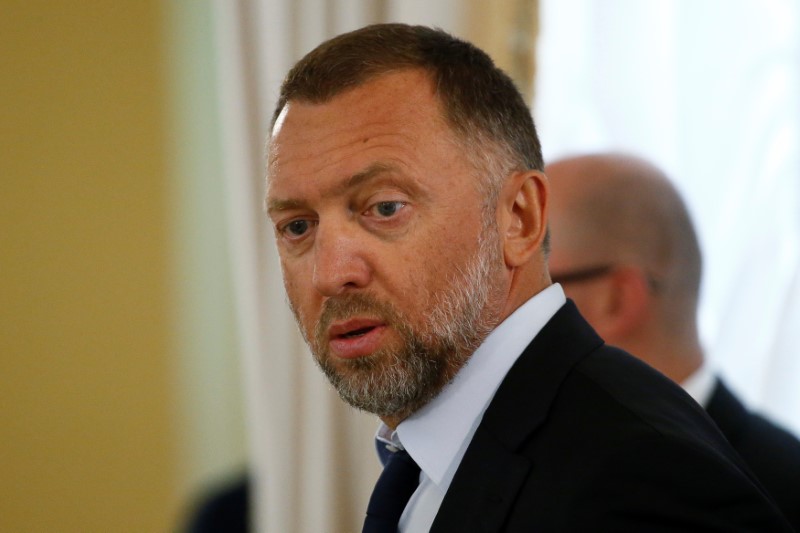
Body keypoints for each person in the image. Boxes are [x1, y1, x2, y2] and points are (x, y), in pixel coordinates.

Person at [265, 23, 792, 531]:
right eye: (296, 226)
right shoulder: (430, 464)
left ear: (519, 218)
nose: (330, 274)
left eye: (384, 208)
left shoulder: (642, 477)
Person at [546, 151, 800, 530]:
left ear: (615, 300)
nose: (502, 310)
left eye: (536, 284)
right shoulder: (528, 462)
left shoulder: (780, 493)